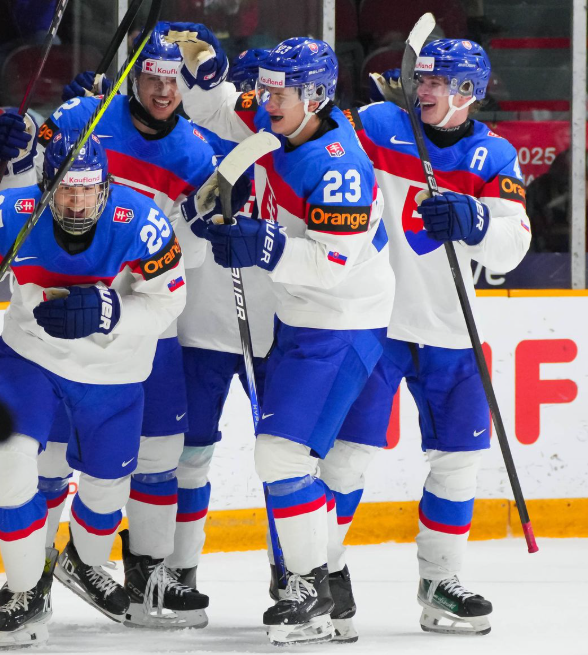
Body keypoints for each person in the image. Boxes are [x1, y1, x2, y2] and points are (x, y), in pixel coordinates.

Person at [0, 22, 246, 629]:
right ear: (133, 78)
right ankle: (31, 578)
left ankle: (146, 572)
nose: (162, 91)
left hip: (140, 327)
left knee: (158, 453)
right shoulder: (81, 116)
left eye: (172, 79)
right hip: (56, 319)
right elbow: (23, 193)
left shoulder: (195, 153)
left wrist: (200, 231)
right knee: (41, 456)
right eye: (151, 77)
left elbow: (189, 260)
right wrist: (13, 155)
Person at [166, 24, 395, 645]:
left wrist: (265, 246)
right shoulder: (283, 116)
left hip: (341, 320)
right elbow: (216, 110)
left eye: (278, 94)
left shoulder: (338, 165)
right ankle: (321, 584)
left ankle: (310, 585)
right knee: (308, 459)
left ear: (315, 98)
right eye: (264, 90)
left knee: (283, 455)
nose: (265, 102)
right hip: (303, 318)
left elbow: (333, 264)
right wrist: (205, 75)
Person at [0, 131, 187, 649]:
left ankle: (83, 562)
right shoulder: (12, 213)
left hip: (115, 375)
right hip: (31, 358)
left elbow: (170, 301)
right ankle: (26, 593)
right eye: (66, 190)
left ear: (106, 188)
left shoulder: (143, 222)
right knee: (10, 462)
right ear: (46, 186)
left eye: (88, 191)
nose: (76, 203)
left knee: (104, 497)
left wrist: (109, 310)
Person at [318, 38, 532, 641]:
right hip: (376, 322)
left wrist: (476, 219)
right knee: (349, 453)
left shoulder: (495, 155)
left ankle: (440, 582)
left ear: (471, 92)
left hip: (450, 331)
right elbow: (315, 144)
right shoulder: (382, 124)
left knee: (459, 463)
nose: (428, 91)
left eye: (444, 84)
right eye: (424, 81)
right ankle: (320, 572)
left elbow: (512, 245)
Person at [166, 46, 276, 597]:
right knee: (187, 456)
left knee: (286, 461)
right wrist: (194, 216)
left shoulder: (296, 155)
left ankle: (292, 572)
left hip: (275, 336)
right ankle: (177, 570)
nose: (257, 103)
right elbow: (167, 237)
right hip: (200, 331)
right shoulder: (194, 146)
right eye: (249, 90)